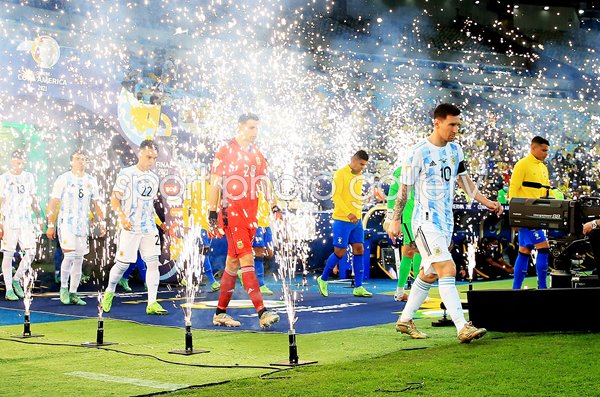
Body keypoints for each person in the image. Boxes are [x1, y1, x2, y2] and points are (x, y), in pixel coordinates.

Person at [387, 103, 503, 343]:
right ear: (437, 122)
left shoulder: (456, 150)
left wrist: (486, 201)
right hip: (425, 221)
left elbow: (464, 181)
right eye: (451, 124)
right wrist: (395, 219)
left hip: (445, 222)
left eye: (458, 125)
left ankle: (405, 320)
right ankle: (462, 327)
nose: (455, 130)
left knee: (429, 273)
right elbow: (403, 191)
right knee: (447, 269)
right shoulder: (417, 152)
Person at [207, 113, 279, 328]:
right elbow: (215, 183)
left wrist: (274, 204)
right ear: (240, 127)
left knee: (233, 263)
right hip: (232, 214)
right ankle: (262, 311)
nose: (254, 132)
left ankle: (220, 313)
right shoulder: (226, 150)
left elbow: (264, 181)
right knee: (247, 259)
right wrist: (212, 212)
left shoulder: (257, 154)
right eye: (251, 127)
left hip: (251, 216)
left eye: (256, 128)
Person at [101, 139, 168, 315]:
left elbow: (149, 205)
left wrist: (160, 224)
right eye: (148, 157)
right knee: (122, 264)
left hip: (148, 228)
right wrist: (122, 218)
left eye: (154, 158)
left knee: (153, 263)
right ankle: (109, 292)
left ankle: (152, 302)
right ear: (140, 153)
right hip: (130, 227)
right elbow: (114, 199)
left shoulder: (154, 178)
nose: (151, 161)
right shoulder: (126, 174)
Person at [46, 149, 105, 305]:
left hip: (82, 225)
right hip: (66, 223)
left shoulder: (91, 180)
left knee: (79, 259)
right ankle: (63, 288)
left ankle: (73, 292)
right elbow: (53, 202)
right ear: (71, 161)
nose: (80, 161)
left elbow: (96, 203)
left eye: (83, 159)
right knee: (70, 256)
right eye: (77, 158)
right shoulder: (63, 179)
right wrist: (50, 224)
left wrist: (102, 221)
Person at [316, 150, 372, 298]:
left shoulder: (359, 176)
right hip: (342, 220)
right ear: (353, 160)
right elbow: (336, 197)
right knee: (340, 252)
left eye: (365, 165)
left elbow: (355, 196)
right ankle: (323, 279)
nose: (362, 167)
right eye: (361, 164)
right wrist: (348, 213)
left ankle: (358, 287)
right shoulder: (340, 174)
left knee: (359, 249)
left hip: (357, 220)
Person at [508, 136, 552, 290]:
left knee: (524, 250)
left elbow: (546, 193)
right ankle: (543, 287)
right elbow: (513, 189)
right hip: (525, 214)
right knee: (544, 248)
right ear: (533, 148)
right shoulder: (522, 165)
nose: (546, 153)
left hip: (538, 214)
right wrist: (514, 216)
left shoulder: (543, 168)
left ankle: (516, 289)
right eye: (544, 150)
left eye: (547, 151)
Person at [0, 150, 43, 301]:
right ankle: (9, 289)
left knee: (31, 252)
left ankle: (16, 279)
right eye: (18, 161)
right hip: (9, 221)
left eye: (22, 162)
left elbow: (33, 198)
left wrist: (39, 215)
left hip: (25, 221)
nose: (20, 165)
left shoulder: (29, 177)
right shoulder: (4, 178)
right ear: (12, 161)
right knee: (8, 254)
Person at [384, 165, 422, 302]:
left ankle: (402, 292)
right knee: (415, 251)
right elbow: (392, 194)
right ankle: (416, 293)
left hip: (420, 216)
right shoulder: (401, 171)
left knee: (411, 252)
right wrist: (390, 218)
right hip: (408, 216)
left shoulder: (424, 168)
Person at [182, 167, 220, 292]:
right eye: (211, 174)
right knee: (203, 252)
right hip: (196, 225)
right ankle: (212, 281)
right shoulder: (194, 185)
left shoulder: (216, 189)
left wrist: (215, 225)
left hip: (207, 226)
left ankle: (187, 277)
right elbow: (186, 205)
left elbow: (215, 209)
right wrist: (187, 224)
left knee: (199, 253)